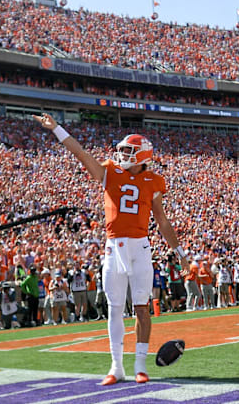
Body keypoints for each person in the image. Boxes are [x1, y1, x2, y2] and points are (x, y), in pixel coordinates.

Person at [34, 113, 189, 385]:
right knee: (115, 307)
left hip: (140, 247)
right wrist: (56, 128)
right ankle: (116, 367)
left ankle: (140, 366)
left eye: (129, 151)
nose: (122, 155)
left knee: (142, 307)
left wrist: (180, 253)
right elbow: (81, 153)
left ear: (142, 155)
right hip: (113, 246)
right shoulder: (109, 172)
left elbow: (161, 220)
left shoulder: (153, 180)